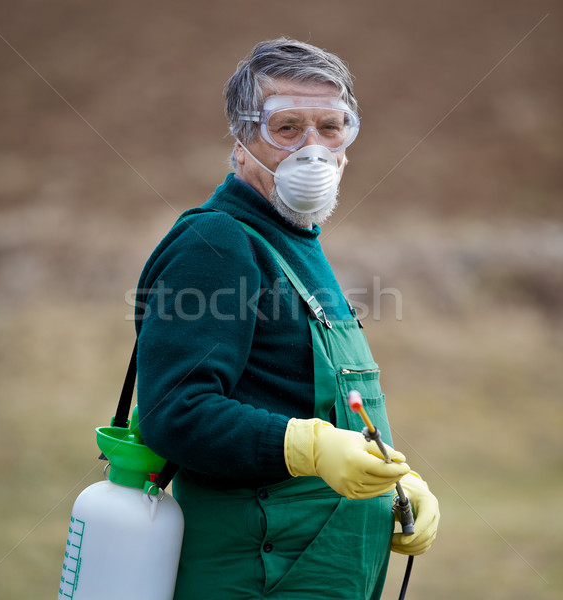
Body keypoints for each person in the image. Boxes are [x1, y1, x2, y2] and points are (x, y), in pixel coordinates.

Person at [135, 38, 440, 600]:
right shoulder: (217, 241)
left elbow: (295, 393)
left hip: (320, 564)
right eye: (287, 128)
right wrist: (309, 449)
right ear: (243, 137)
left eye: (332, 127)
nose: (313, 150)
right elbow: (172, 411)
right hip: (258, 573)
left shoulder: (294, 240)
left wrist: (394, 484)